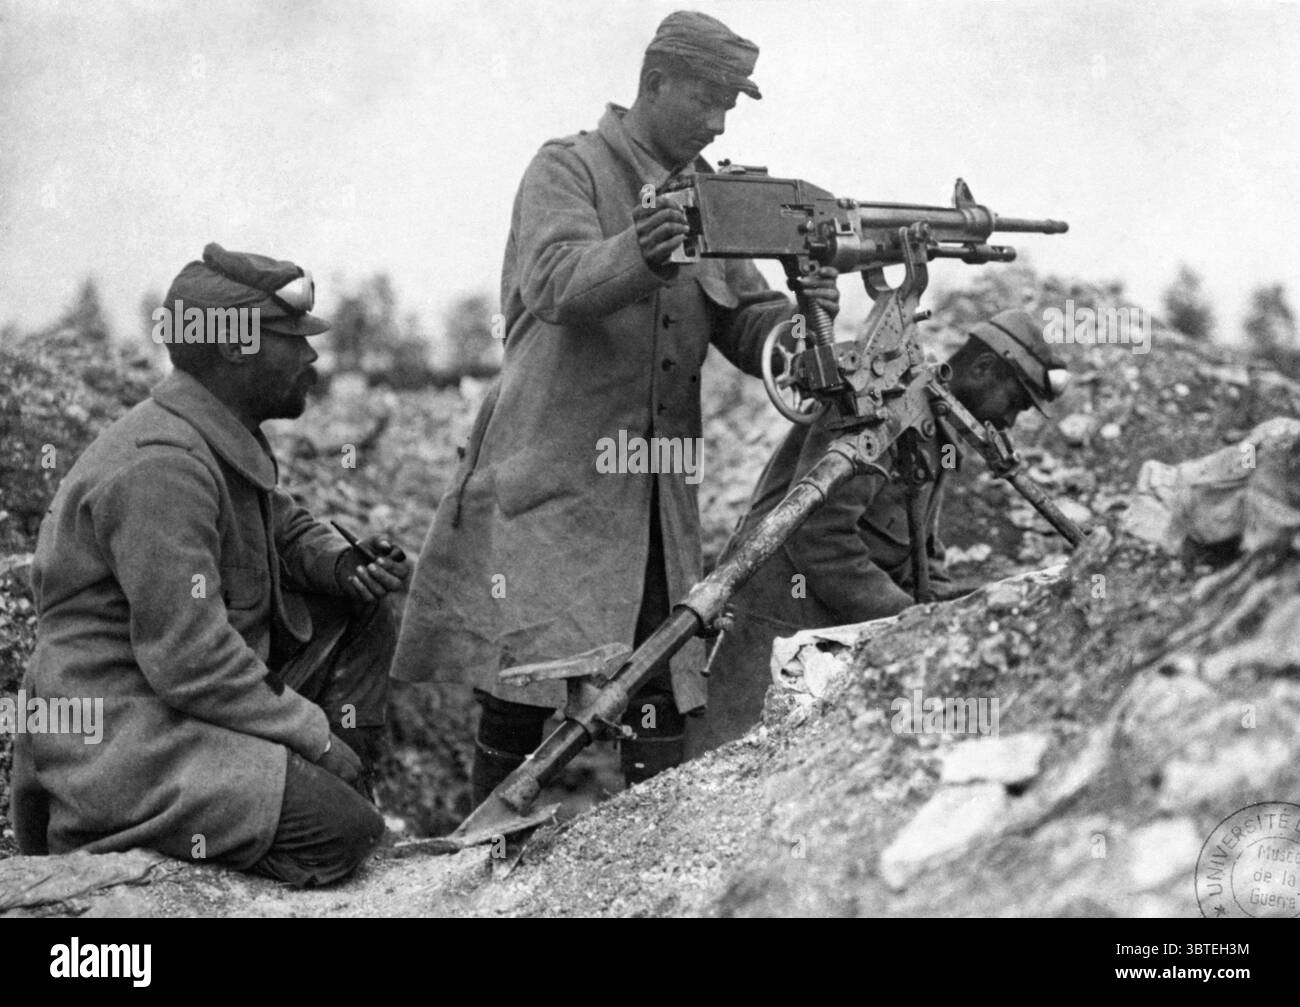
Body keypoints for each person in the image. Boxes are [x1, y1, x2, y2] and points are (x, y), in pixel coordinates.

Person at [390, 10, 840, 802]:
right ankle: (481, 865)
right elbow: (555, 282)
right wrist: (644, 245)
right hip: (553, 481)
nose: (717, 120)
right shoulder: (567, 169)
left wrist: (801, 326)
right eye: (706, 99)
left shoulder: (714, 195)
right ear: (653, 82)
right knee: (524, 683)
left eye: (731, 105)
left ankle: (645, 859)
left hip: (654, 496)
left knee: (657, 670)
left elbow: (744, 315)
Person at [10, 243, 410, 887]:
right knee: (345, 838)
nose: (311, 357)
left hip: (184, 708)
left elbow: (281, 525)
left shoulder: (214, 436)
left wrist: (340, 565)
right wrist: (314, 734)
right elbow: (191, 659)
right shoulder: (160, 465)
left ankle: (321, 793)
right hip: (124, 739)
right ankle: (122, 836)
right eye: (293, 339)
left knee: (363, 611)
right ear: (236, 347)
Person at [687, 308, 1070, 755]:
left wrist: (961, 608)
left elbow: (920, 550)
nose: (1010, 421)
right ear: (984, 369)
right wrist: (905, 619)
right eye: (1015, 402)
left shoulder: (934, 424)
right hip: (774, 631)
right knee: (727, 778)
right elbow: (819, 538)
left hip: (827, 642)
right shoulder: (880, 404)